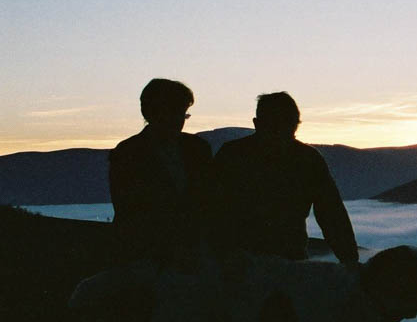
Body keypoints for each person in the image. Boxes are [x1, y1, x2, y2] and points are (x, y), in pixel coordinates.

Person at [213, 91, 359, 265]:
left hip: (235, 263)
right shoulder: (307, 158)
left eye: (287, 126)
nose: (280, 133)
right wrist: (350, 260)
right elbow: (331, 213)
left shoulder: (232, 153)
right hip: (282, 262)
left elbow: (331, 213)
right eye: (276, 126)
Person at [109, 78, 214, 270]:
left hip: (194, 252)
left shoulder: (198, 148)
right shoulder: (127, 153)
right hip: (147, 257)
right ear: (150, 112)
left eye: (182, 113)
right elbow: (130, 209)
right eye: (174, 112)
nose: (178, 120)